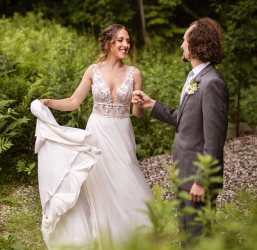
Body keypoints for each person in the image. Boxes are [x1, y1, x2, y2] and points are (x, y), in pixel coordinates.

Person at [38, 24, 152, 248]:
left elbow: (137, 114)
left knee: (125, 179)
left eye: (128, 41)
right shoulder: (93, 70)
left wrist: (139, 104)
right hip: (97, 131)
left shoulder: (135, 73)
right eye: (120, 40)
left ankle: (130, 238)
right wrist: (48, 103)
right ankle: (102, 239)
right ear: (109, 42)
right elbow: (73, 102)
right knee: (98, 184)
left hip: (121, 133)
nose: (126, 45)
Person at [132, 17, 229, 245]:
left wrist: (202, 181)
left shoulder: (212, 82)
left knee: (199, 239)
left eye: (184, 40)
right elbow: (184, 120)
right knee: (187, 238)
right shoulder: (195, 77)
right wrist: (151, 104)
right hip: (184, 172)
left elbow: (214, 140)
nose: (181, 45)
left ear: (197, 44)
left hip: (197, 178)